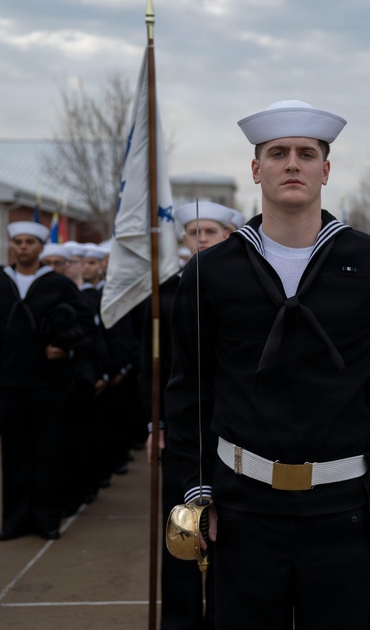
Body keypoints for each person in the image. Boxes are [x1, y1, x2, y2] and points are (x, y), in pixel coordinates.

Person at [164, 100, 370, 629]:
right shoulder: (211, 272)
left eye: (306, 154)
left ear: (325, 170)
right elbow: (189, 389)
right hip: (239, 510)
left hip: (342, 507)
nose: (292, 164)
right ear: (256, 169)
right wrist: (196, 490)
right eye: (277, 153)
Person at [148, 200, 237, 629]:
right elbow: (157, 370)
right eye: (193, 233)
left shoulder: (245, 288)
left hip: (231, 429)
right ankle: (181, 619)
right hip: (182, 429)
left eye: (210, 232)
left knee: (228, 532)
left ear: (228, 236)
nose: (200, 239)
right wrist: (157, 424)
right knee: (182, 527)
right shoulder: (165, 292)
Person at [0, 220, 91, 541]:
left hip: (48, 383)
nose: (24, 247)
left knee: (48, 451)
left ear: (41, 248)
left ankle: (46, 519)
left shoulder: (58, 284)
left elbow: (85, 326)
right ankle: (14, 520)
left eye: (30, 242)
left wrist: (65, 350)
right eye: (19, 242)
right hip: (9, 383)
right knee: (14, 452)